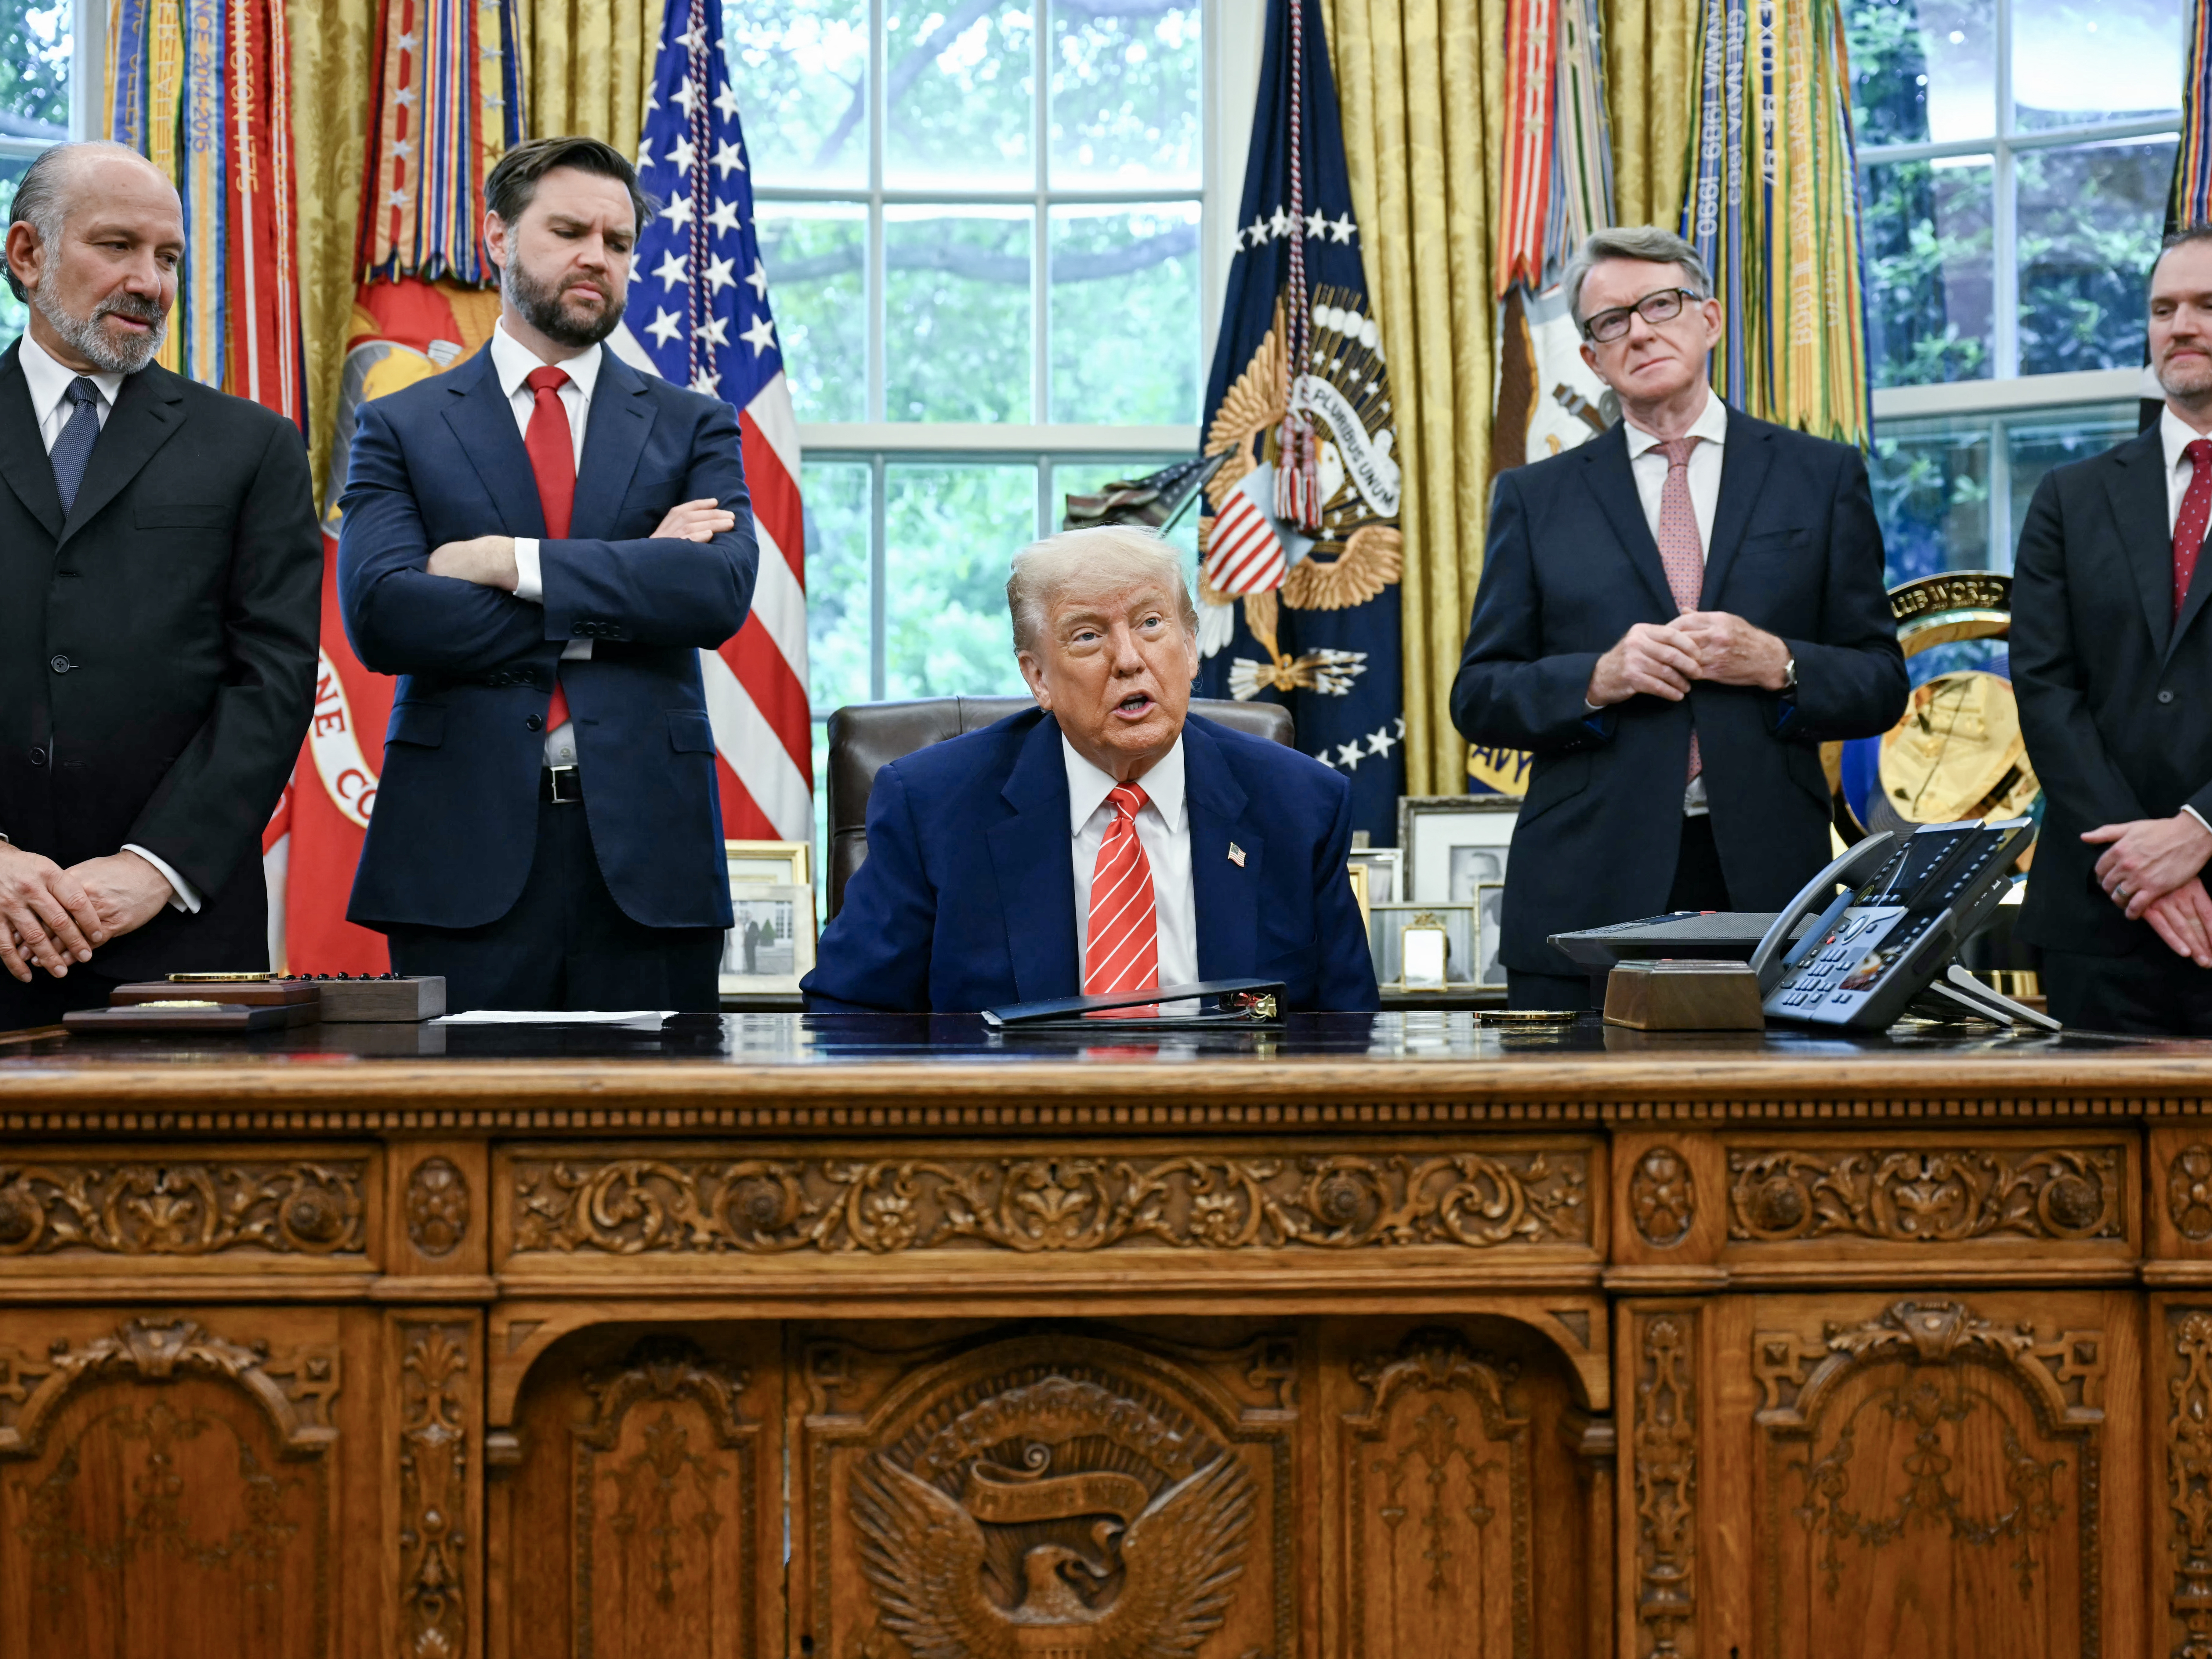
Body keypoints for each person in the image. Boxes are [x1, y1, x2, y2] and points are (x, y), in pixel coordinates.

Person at [337, 136, 757, 1013]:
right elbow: (385, 617)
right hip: (457, 854)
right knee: (462, 1103)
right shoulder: (402, 424)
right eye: (569, 232)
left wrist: (506, 563)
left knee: (655, 1105)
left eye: (617, 241)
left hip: (651, 858)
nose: (596, 257)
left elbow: (714, 595)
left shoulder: (694, 425)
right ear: (497, 235)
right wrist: (636, 580)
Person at [1452, 226, 1906, 1010]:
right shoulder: (1534, 498)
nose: (1640, 331)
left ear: (1710, 319)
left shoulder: (1820, 475)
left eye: (1660, 304)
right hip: (1587, 885)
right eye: (1611, 321)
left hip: (1769, 881)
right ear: (1593, 357)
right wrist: (1598, 678)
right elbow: (1480, 696)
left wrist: (1780, 664)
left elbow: (1880, 683)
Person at [0, 141, 320, 1028]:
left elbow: (272, 682)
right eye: (118, 246)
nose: (151, 282)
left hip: (176, 938)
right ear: (26, 253)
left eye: (169, 257)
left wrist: (153, 867)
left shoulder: (254, 446)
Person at [802, 526, 1380, 1013]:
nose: (1129, 660)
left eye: (1151, 623)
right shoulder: (933, 808)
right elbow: (849, 1017)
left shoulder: (1301, 806)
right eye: (1088, 636)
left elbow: (1350, 1031)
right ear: (1038, 678)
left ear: (1190, 645)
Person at [2012, 226, 2212, 1033]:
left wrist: (2201, 828)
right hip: (2098, 915)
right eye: (2164, 309)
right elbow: (2044, 687)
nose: (2181, 326)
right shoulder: (2071, 496)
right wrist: (2140, 862)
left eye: (2207, 306)